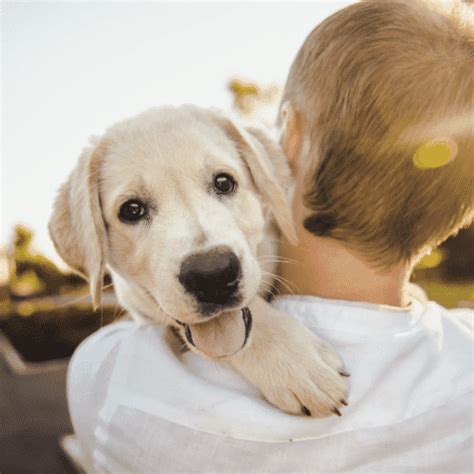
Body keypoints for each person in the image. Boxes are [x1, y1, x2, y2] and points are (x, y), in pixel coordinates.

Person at [67, 0, 473, 471]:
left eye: (223, 184)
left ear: (289, 139)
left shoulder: (113, 379)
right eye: (134, 209)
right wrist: (256, 335)